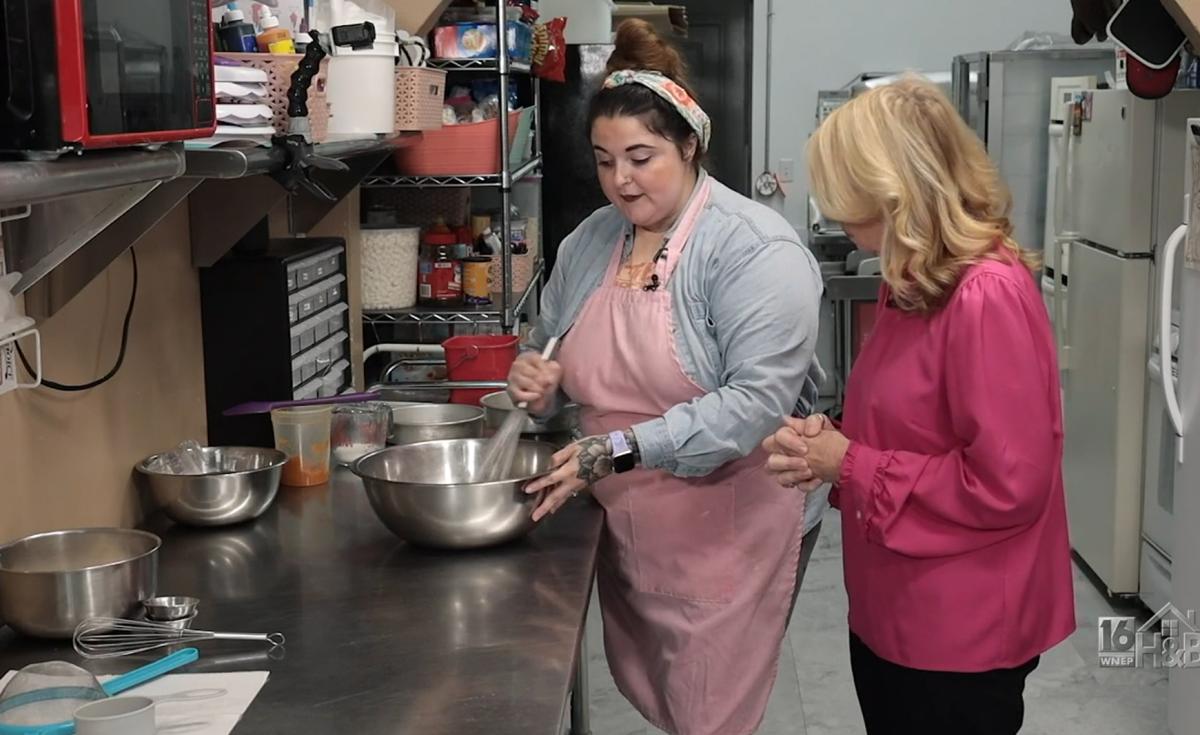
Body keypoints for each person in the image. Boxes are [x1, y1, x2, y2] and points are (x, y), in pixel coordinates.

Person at [509, 19, 825, 735]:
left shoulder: (753, 252)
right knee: (666, 695)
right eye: (604, 160)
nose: (621, 180)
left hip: (734, 518)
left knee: (711, 708)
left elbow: (751, 405)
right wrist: (535, 375)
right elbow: (548, 343)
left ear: (690, 145)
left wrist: (617, 448)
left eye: (642, 157)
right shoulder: (590, 240)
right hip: (633, 517)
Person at [763, 76, 1076, 735]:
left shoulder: (983, 295)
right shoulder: (911, 281)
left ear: (900, 192)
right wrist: (833, 439)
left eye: (849, 196)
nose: (837, 211)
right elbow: (910, 425)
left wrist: (848, 463)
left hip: (958, 631)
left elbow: (1006, 484)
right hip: (895, 609)